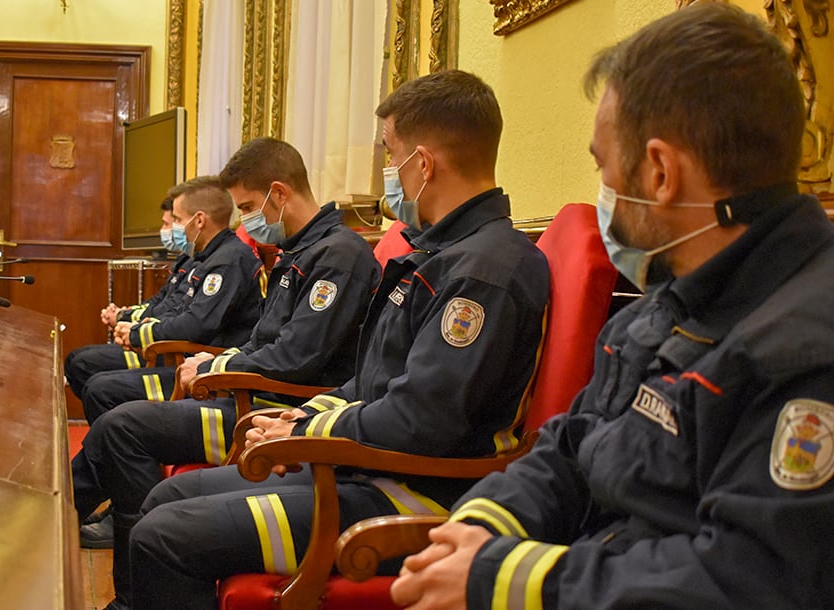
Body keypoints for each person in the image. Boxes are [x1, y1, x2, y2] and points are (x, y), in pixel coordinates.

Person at [389, 5, 834, 609]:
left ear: (658, 173)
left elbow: (749, 579)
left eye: (602, 166)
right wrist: (480, 528)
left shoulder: (805, 348)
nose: (601, 194)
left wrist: (502, 577)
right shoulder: (669, 298)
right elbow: (570, 449)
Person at [126, 69, 550, 610]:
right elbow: (371, 381)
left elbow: (421, 420)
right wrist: (300, 422)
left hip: (413, 494)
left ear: (423, 162)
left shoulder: (486, 269)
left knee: (165, 537)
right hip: (362, 463)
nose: (388, 172)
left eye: (390, 155)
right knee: (167, 496)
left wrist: (309, 427)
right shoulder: (437, 253)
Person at [72, 137, 382, 609]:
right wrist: (221, 363)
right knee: (119, 420)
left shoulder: (339, 254)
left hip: (273, 405)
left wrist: (219, 365)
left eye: (250, 207)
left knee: (123, 427)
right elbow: (263, 341)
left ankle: (119, 583)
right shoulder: (299, 251)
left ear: (279, 194)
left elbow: (298, 358)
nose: (246, 222)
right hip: (255, 395)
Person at [77, 175, 264, 423]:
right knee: (95, 383)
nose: (173, 227)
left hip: (206, 374)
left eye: (176, 220)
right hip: (187, 359)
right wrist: (136, 325)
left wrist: (137, 334)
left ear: (199, 220)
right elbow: (174, 308)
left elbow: (196, 325)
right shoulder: (204, 256)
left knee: (100, 389)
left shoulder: (229, 260)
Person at [64, 195, 193, 400]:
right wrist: (126, 315)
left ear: (199, 220)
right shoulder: (188, 258)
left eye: (173, 221)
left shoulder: (220, 263)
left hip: (172, 353)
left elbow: (187, 318)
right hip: (159, 342)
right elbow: (161, 301)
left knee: (90, 374)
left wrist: (130, 325)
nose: (169, 229)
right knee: (75, 360)